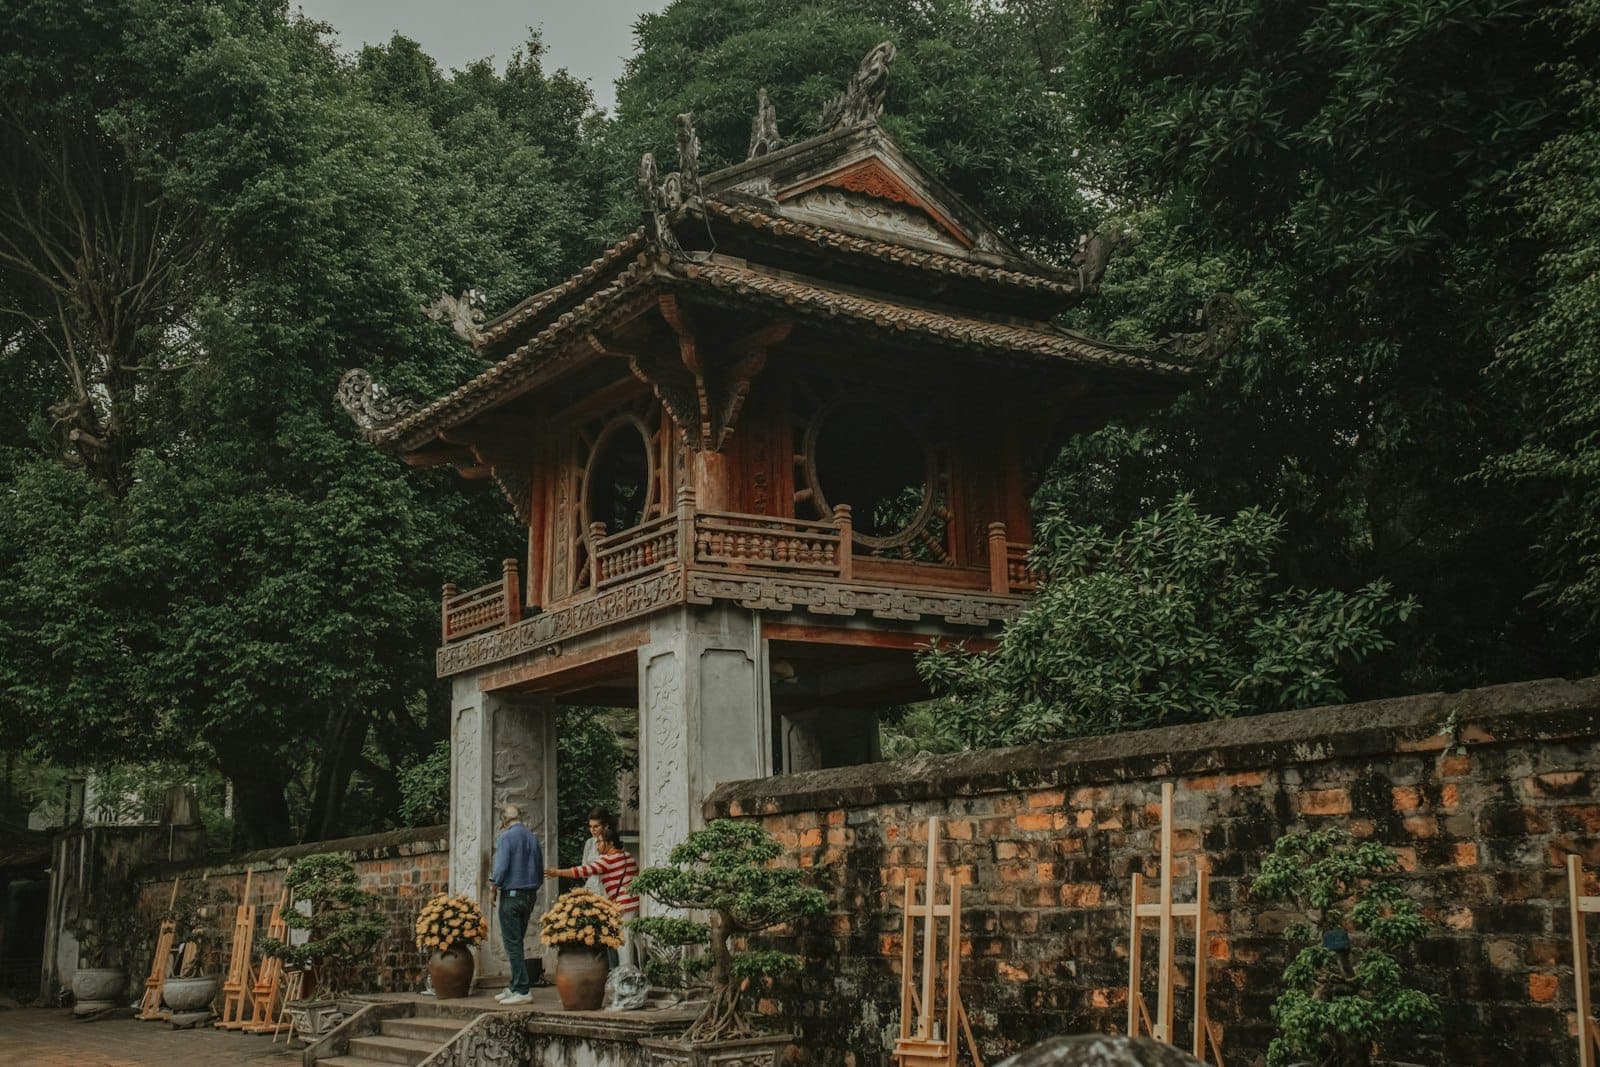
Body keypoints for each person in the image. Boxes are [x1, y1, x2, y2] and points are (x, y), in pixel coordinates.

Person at [548, 827, 640, 968]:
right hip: (634, 904)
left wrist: (558, 872)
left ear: (609, 843)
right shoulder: (627, 856)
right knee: (632, 940)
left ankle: (627, 975)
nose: (597, 846)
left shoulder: (607, 860)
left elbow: (582, 871)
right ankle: (632, 971)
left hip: (622, 906)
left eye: (599, 842)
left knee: (624, 942)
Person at [489, 803, 543, 1005]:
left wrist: (493, 888)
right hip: (529, 894)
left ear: (504, 821)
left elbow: (501, 868)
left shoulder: (505, 837)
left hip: (511, 895)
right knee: (517, 941)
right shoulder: (532, 837)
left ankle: (522, 989)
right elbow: (540, 868)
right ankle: (514, 985)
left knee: (512, 944)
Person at [580, 807, 615, 896]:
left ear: (606, 826)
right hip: (591, 891)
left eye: (596, 826)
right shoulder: (589, 843)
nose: (592, 830)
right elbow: (584, 870)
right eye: (590, 826)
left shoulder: (613, 844)